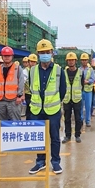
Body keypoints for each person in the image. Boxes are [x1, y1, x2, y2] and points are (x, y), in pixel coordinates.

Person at [28, 39, 66, 174]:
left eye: (47, 52)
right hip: (37, 109)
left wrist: (53, 102)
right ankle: (40, 162)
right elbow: (31, 88)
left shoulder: (59, 70)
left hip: (53, 110)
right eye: (42, 52)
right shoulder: (32, 70)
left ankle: (55, 162)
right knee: (39, 137)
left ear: (52, 53)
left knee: (54, 137)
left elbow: (62, 90)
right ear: (38, 54)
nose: (45, 55)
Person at [0, 46, 25, 147]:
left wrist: (19, 96)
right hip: (0, 100)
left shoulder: (18, 68)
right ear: (2, 56)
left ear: (12, 56)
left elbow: (21, 83)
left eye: (8, 55)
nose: (6, 57)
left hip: (13, 100)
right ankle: (1, 141)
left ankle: (17, 141)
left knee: (16, 121)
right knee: (0, 121)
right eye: (5, 55)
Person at [62, 52, 83, 144]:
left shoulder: (80, 72)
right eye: (69, 60)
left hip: (77, 99)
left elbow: (82, 85)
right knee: (67, 118)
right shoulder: (63, 72)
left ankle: (77, 135)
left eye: (72, 60)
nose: (71, 62)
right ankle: (67, 135)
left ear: (75, 61)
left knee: (78, 118)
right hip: (67, 99)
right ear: (67, 61)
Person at [78, 53, 94, 127]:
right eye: (83, 60)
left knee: (88, 106)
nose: (84, 61)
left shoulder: (90, 70)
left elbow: (92, 79)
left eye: (85, 60)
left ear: (87, 60)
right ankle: (81, 119)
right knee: (80, 106)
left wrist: (87, 81)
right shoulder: (79, 70)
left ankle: (88, 121)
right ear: (81, 61)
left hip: (88, 91)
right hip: (80, 90)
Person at [24, 53, 38, 118]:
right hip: (28, 95)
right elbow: (22, 83)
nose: (33, 63)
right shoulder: (25, 71)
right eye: (31, 61)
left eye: (34, 62)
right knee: (29, 112)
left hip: (36, 95)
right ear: (28, 62)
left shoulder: (37, 70)